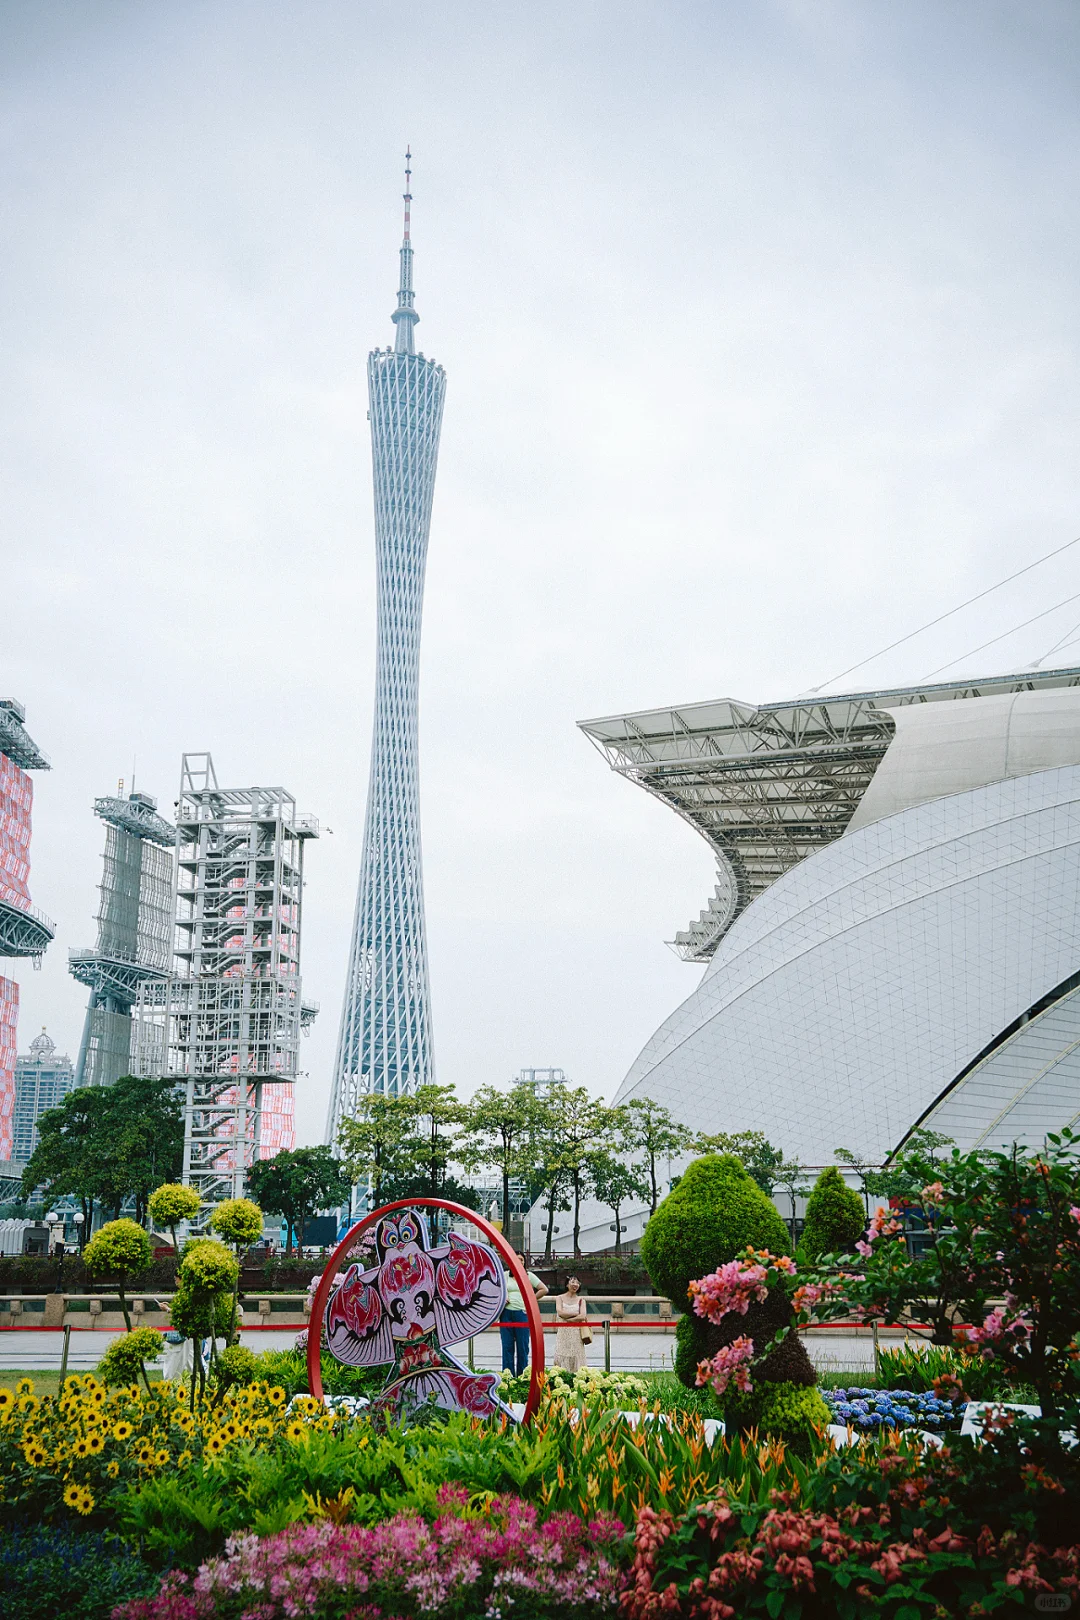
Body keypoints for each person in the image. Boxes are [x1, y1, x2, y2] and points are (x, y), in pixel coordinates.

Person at [501, 1253, 548, 1376]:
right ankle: (508, 1377)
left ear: (524, 1262)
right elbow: (496, 1289)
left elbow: (544, 1289)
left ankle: (522, 1376)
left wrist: (531, 1300)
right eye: (516, 1259)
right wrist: (502, 1298)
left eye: (521, 1259)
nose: (519, 1261)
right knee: (507, 1347)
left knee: (522, 1347)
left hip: (522, 1313)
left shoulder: (528, 1276)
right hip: (506, 1313)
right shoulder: (505, 1275)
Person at [553, 1276, 589, 1373]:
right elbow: (560, 1313)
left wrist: (568, 1320)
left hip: (576, 1333)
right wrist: (575, 1315)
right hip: (563, 1332)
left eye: (577, 1283)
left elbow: (583, 1316)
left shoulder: (581, 1300)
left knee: (576, 1353)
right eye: (572, 1282)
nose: (575, 1285)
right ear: (567, 1284)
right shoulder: (559, 1298)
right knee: (562, 1352)